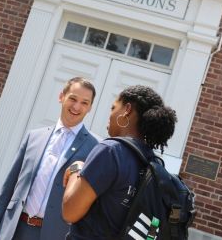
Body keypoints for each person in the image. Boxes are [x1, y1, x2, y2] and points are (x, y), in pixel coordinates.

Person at [0, 77, 100, 240]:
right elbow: (8, 188)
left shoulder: (95, 148)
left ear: (90, 108)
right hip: (13, 230)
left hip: (55, 234)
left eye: (84, 103)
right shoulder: (34, 137)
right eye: (73, 98)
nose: (76, 107)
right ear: (61, 97)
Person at [62, 85, 177, 239]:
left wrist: (77, 168)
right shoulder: (151, 161)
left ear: (127, 109)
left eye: (113, 108)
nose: (110, 115)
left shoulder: (111, 151)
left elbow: (70, 212)